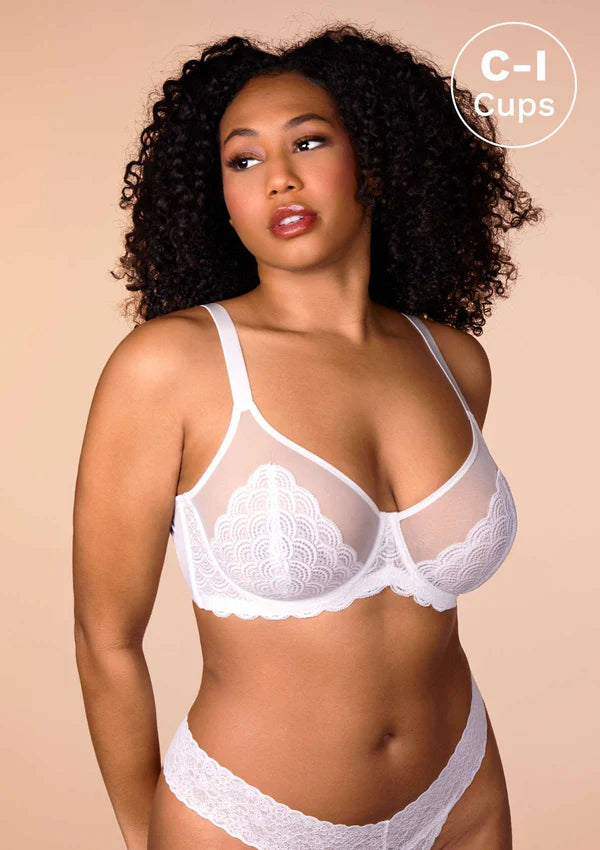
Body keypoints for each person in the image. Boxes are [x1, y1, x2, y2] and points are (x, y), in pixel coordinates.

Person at [73, 23, 543, 850]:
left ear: (376, 161)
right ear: (218, 197)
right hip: (245, 820)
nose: (278, 179)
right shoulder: (170, 367)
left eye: (309, 141)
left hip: (461, 801)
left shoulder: (455, 362)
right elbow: (104, 639)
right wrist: (143, 837)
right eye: (242, 160)